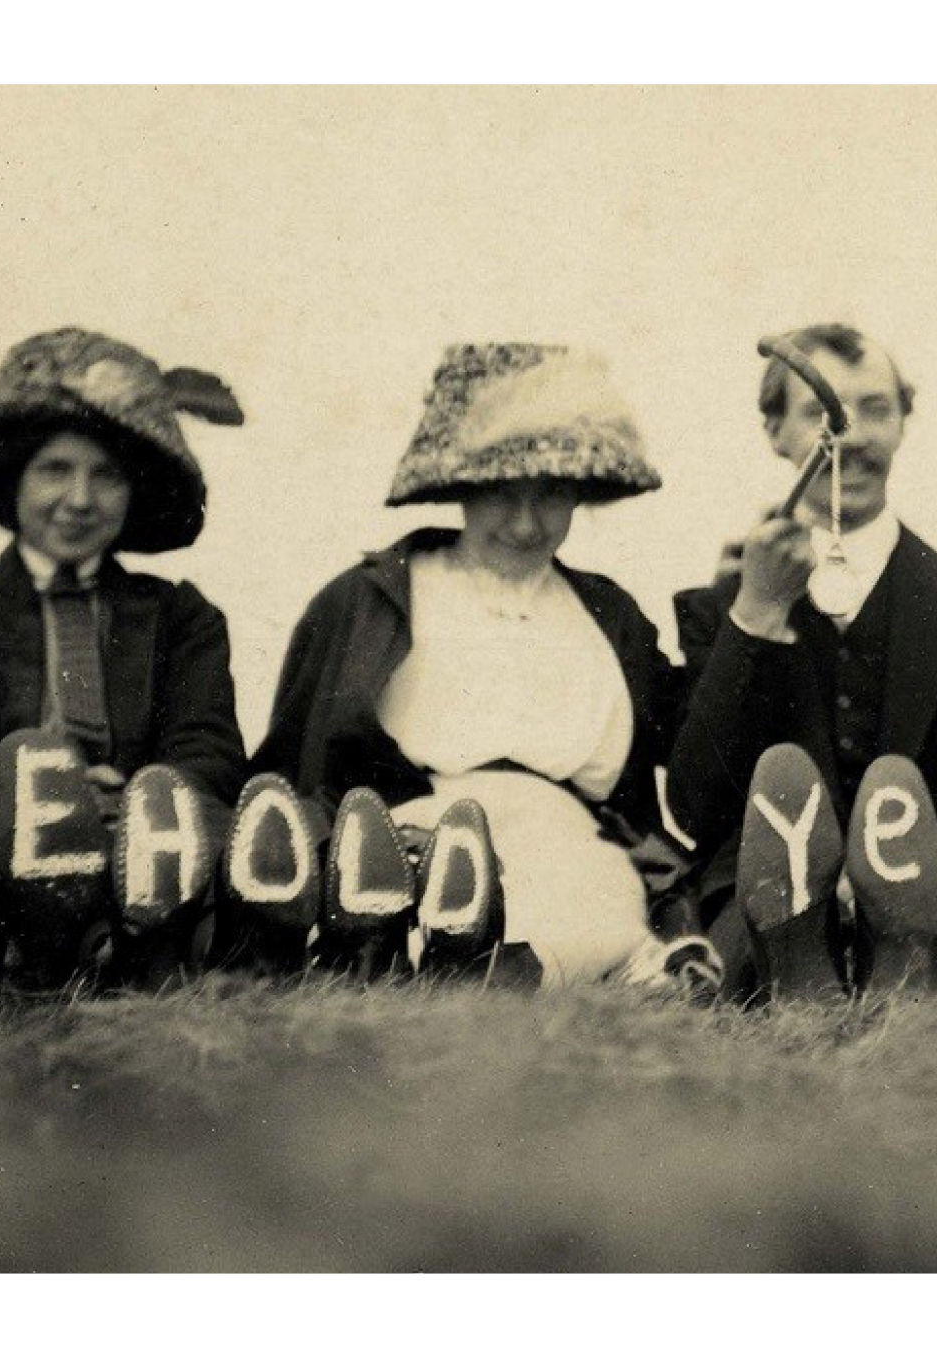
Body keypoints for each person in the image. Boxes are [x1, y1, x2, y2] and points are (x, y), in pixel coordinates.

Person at [257, 342, 706, 989]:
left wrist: (743, 609)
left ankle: (503, 978)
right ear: (461, 486)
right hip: (414, 836)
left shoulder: (611, 615)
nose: (525, 523)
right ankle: (461, 966)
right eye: (500, 492)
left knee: (603, 904)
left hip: (572, 853)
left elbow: (691, 743)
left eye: (551, 493)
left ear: (580, 493)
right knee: (420, 896)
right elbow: (293, 764)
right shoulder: (368, 600)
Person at [664, 325, 937, 997]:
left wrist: (888, 881)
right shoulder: (717, 610)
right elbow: (694, 809)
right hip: (758, 921)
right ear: (775, 433)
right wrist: (758, 613)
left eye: (876, 410)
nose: (852, 437)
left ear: (904, 425)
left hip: (931, 914)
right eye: (822, 413)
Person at [0, 327, 250, 807]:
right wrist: (53, 798)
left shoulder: (182, 619)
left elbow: (211, 756)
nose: (79, 500)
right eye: (55, 470)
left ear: (134, 492)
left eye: (106, 475)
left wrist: (136, 801)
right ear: (15, 479)